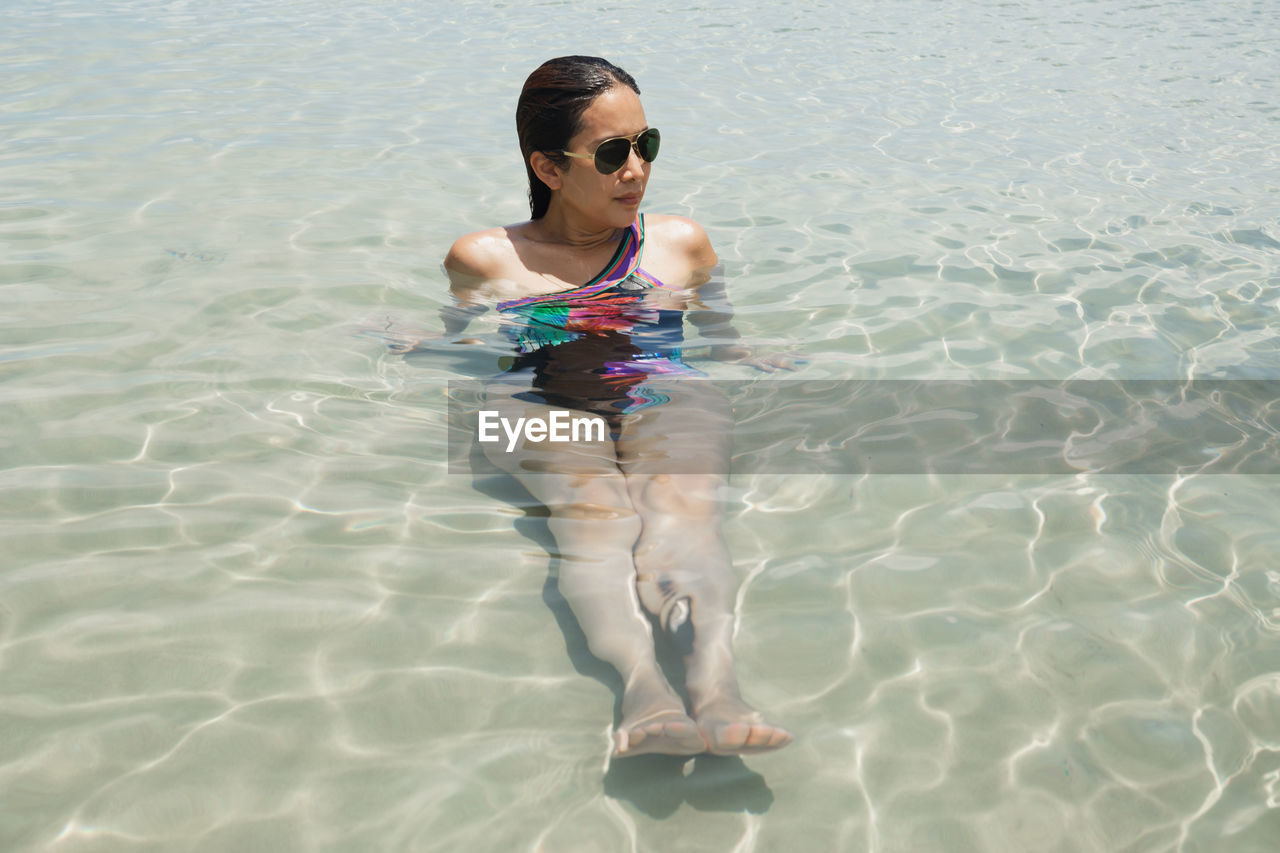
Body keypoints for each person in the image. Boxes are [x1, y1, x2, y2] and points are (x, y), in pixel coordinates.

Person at [435, 56, 794, 758]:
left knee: (685, 516)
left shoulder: (682, 242)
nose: (636, 169)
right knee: (597, 516)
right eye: (611, 152)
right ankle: (642, 690)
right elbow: (456, 330)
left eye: (645, 144)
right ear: (548, 169)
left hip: (664, 384)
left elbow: (719, 327)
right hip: (537, 394)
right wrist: (415, 341)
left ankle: (717, 688)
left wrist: (746, 354)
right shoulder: (486, 256)